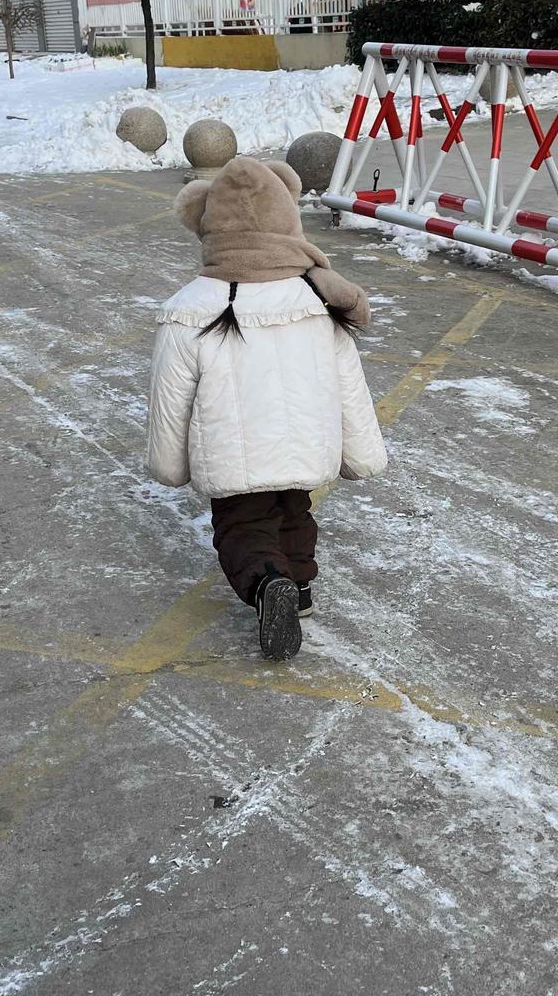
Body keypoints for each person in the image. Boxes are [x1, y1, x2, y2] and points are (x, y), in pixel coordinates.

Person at [147, 156, 387, 660]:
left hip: (230, 449)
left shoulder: (189, 306)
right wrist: (363, 455)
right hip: (307, 442)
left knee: (243, 526)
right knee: (294, 509)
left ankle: (266, 582)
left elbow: (170, 397)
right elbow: (349, 382)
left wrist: (169, 466)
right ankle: (298, 587)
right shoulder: (317, 298)